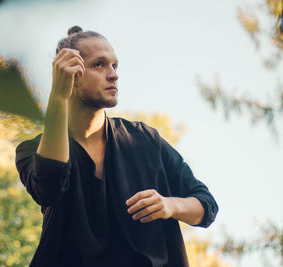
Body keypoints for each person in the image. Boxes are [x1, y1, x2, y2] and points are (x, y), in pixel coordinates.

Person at [15, 25, 218, 267]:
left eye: (114, 65)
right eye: (99, 65)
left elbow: (206, 205)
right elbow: (48, 187)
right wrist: (58, 97)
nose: (113, 74)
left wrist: (170, 204)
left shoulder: (145, 140)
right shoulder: (33, 150)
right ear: (69, 73)